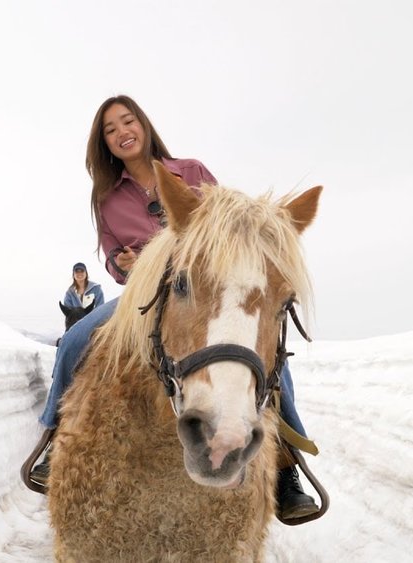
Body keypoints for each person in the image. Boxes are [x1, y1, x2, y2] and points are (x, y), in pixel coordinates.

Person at [31, 95, 320, 520]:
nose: (121, 132)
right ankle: (55, 438)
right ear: (104, 143)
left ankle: (287, 466)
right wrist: (122, 263)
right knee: (76, 339)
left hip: (202, 287)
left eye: (128, 122)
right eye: (110, 130)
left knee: (270, 357)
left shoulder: (192, 172)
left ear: (144, 126)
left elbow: (230, 226)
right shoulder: (107, 198)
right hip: (145, 290)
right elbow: (111, 255)